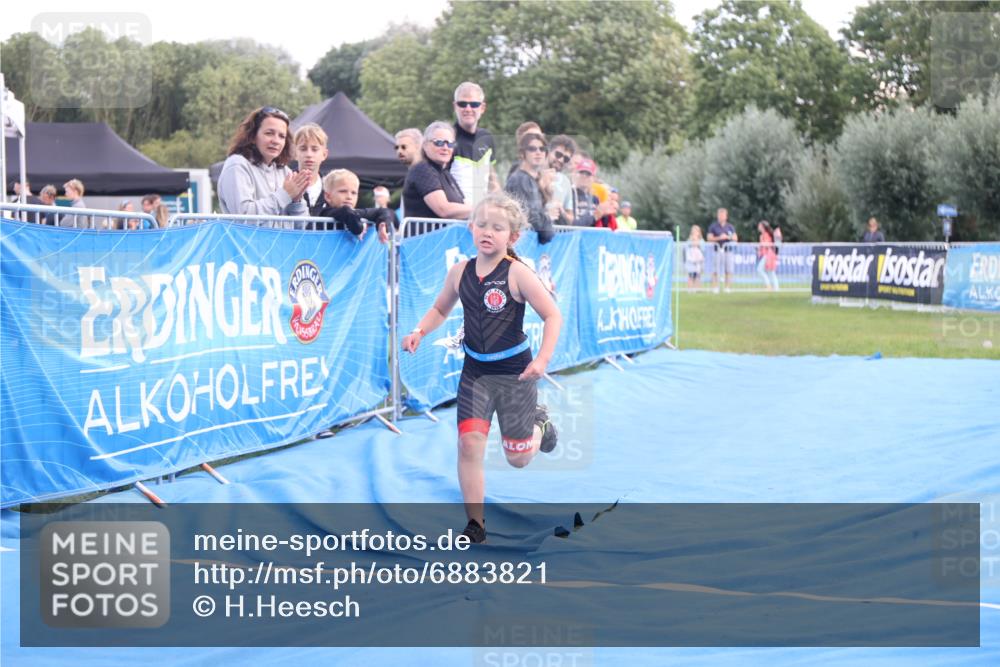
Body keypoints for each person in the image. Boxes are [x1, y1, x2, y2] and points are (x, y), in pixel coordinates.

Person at [401, 191, 562, 544]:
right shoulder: (460, 272)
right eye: (482, 225)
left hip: (515, 374)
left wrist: (542, 361)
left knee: (517, 459)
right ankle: (476, 523)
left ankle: (540, 424)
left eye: (497, 227)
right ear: (471, 228)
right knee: (469, 445)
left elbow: (552, 314)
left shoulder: (518, 273)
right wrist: (419, 331)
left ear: (513, 237)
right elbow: (441, 309)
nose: (487, 232)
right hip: (475, 372)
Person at [217, 106, 311, 220]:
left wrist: (296, 202)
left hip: (283, 239)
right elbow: (244, 217)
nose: (276, 141)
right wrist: (285, 195)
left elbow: (302, 226)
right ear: (252, 136)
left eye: (282, 136)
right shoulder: (237, 165)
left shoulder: (285, 172)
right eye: (269, 133)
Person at [402, 121, 471, 220]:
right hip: (426, 235)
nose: (445, 148)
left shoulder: (446, 174)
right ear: (425, 145)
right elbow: (443, 209)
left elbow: (465, 204)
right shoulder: (423, 169)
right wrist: (480, 210)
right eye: (439, 142)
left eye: (450, 144)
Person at [450, 81, 498, 207]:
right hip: (454, 217)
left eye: (474, 104)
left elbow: (492, 181)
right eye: (462, 104)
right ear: (455, 106)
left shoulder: (487, 138)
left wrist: (501, 205)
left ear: (482, 108)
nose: (468, 109)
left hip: (481, 216)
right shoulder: (446, 138)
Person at [504, 132, 555, 244]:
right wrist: (547, 220)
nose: (538, 152)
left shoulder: (532, 180)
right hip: (520, 244)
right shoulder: (521, 179)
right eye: (532, 149)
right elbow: (531, 217)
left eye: (542, 149)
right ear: (523, 153)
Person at [317, 169, 395, 239]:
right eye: (343, 191)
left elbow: (383, 211)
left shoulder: (354, 212)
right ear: (328, 196)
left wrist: (384, 226)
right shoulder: (325, 213)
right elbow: (346, 212)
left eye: (354, 193)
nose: (349, 197)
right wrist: (360, 228)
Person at [293, 123, 330, 216]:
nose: (309, 154)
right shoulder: (284, 182)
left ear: (324, 154)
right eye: (303, 149)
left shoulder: (331, 187)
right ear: (295, 153)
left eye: (314, 149)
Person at [570, 158, 616, 227]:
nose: (584, 176)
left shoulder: (595, 199)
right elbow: (572, 224)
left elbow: (601, 225)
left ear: (593, 178)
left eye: (588, 174)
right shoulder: (570, 195)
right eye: (581, 172)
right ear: (576, 174)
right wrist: (595, 216)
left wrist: (606, 215)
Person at [546, 135, 576, 223]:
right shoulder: (534, 174)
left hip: (555, 234)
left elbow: (571, 218)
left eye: (566, 159)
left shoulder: (565, 182)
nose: (561, 160)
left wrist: (562, 211)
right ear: (548, 151)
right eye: (558, 154)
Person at [707, 207, 737, 293]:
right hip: (717, 250)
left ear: (726, 216)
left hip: (728, 251)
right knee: (715, 270)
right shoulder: (713, 226)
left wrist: (727, 237)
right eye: (719, 215)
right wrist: (719, 238)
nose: (721, 216)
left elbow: (735, 237)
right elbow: (709, 238)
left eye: (723, 215)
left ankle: (727, 288)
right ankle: (715, 287)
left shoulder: (730, 227)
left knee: (729, 270)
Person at [756, 220, 779, 291]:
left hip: (768, 254)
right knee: (770, 272)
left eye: (759, 225)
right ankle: (775, 288)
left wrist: (761, 246)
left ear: (763, 227)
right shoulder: (762, 235)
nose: (758, 227)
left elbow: (767, 244)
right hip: (766, 254)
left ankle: (768, 285)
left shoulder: (766, 235)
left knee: (760, 269)